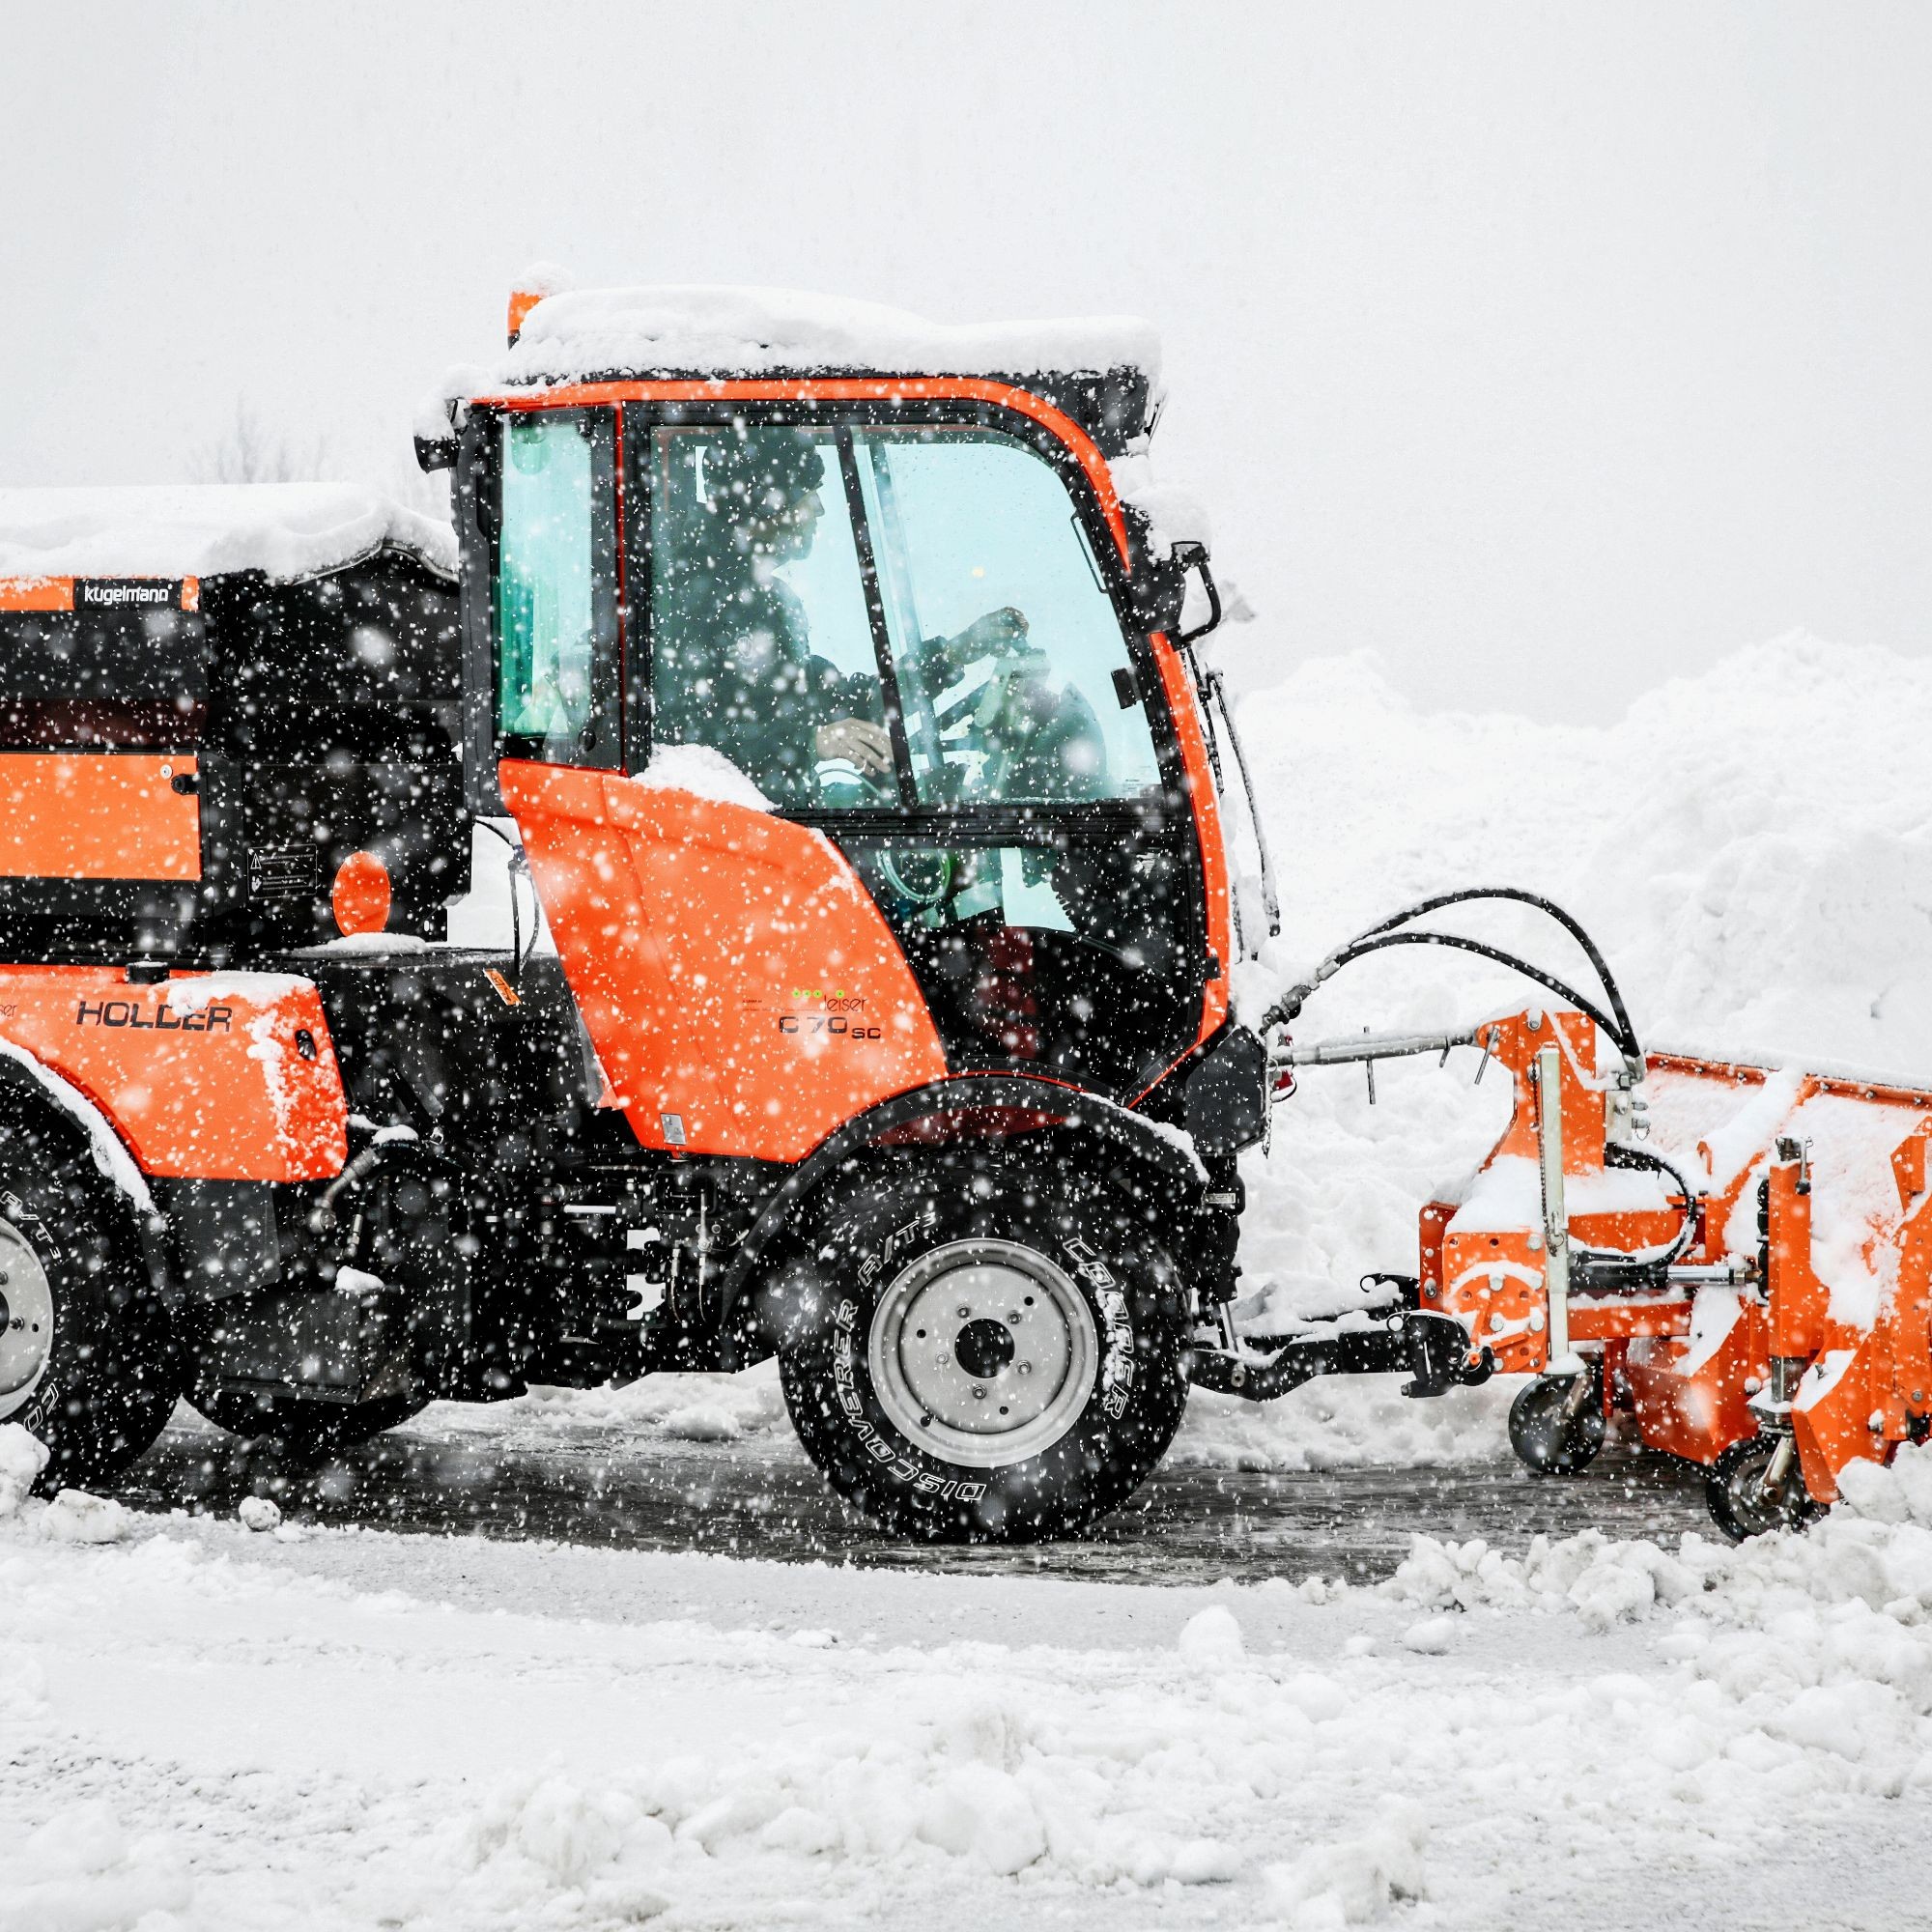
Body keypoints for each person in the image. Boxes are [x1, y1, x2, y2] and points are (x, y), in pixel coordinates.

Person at [651, 430, 892, 800]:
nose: (819, 508)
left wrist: (950, 657)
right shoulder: (687, 601)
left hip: (771, 830)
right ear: (761, 506)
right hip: (726, 840)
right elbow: (678, 745)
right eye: (805, 491)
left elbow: (825, 695)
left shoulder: (769, 600)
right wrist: (810, 742)